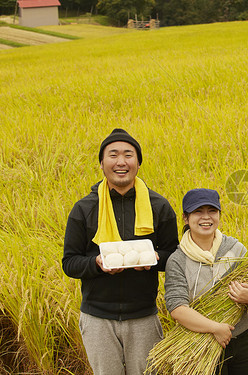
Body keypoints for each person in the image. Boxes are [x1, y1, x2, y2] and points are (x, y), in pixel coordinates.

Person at [62, 128, 179, 375]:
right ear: (102, 163)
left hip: (144, 317)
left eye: (128, 154)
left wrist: (155, 259)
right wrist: (96, 263)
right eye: (113, 154)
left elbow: (174, 257)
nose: (121, 161)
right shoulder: (84, 208)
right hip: (97, 319)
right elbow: (70, 263)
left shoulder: (159, 206)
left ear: (138, 162)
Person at [164, 188, 248, 374]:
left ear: (219, 215)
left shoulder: (236, 250)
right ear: (185, 218)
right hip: (199, 342)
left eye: (212, 211)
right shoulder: (177, 260)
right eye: (198, 211)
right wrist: (215, 328)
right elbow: (177, 308)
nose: (206, 217)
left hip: (242, 339)